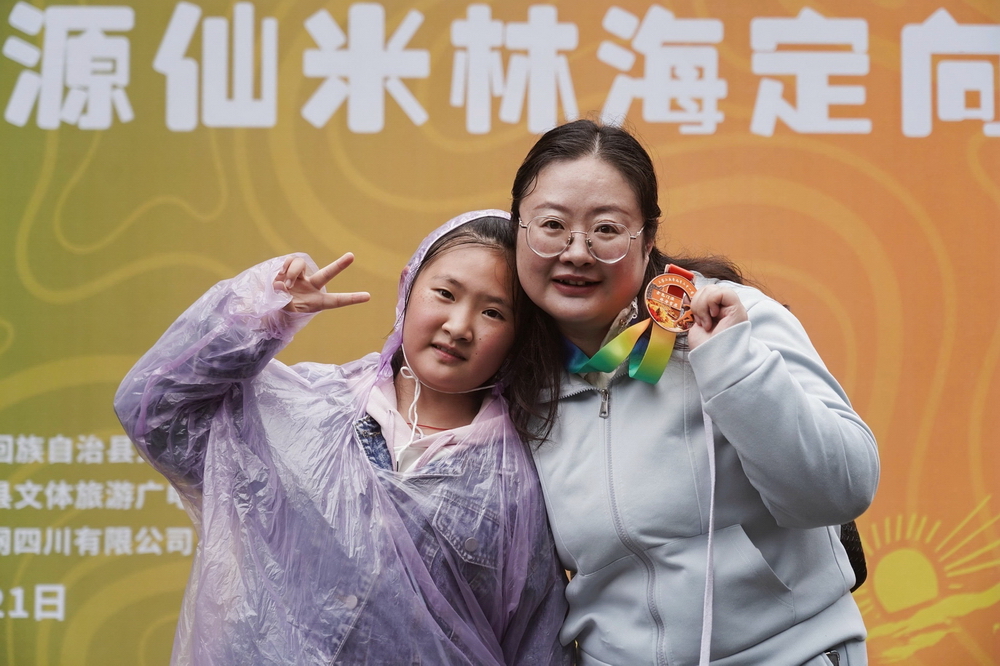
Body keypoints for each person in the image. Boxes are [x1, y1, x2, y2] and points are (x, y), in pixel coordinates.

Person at [114, 211, 573, 665]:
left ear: (520, 335)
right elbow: (153, 412)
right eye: (445, 293)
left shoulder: (518, 482)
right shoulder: (306, 408)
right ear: (408, 286)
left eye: (493, 312)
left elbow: (536, 645)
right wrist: (260, 318)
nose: (458, 326)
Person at [509, 120, 880, 666]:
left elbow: (841, 489)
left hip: (789, 654)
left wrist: (732, 367)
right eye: (551, 225)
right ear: (518, 231)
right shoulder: (515, 377)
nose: (577, 251)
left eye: (607, 228)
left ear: (648, 239)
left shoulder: (729, 321)